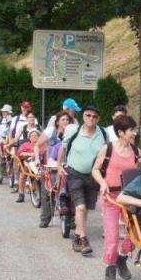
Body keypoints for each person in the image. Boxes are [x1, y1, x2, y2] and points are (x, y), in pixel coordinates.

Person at [91, 115, 141, 280]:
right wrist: (103, 182)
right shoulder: (108, 149)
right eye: (131, 130)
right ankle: (110, 268)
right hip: (111, 199)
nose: (134, 133)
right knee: (112, 236)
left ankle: (122, 257)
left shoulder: (135, 151)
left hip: (129, 199)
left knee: (134, 236)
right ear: (121, 132)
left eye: (134, 130)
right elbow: (96, 170)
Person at [58, 105, 108, 256]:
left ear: (98, 118)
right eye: (88, 115)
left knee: (85, 209)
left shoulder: (103, 133)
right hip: (74, 173)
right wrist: (59, 165)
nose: (91, 119)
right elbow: (63, 147)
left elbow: (108, 153)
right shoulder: (74, 131)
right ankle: (84, 240)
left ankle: (78, 236)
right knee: (79, 207)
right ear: (83, 116)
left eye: (94, 116)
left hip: (93, 175)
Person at [35, 111, 73, 227]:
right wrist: (37, 159)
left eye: (67, 120)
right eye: (63, 120)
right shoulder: (51, 131)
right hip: (51, 165)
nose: (65, 122)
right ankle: (45, 218)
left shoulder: (73, 132)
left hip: (68, 165)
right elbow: (37, 145)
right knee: (46, 191)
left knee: (72, 190)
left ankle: (71, 219)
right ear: (57, 122)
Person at [15, 129, 44, 203]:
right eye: (32, 136)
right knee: (23, 175)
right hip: (27, 162)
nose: (34, 137)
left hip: (40, 162)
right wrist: (30, 154)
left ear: (39, 137)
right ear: (29, 138)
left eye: (36, 135)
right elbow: (19, 153)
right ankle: (21, 194)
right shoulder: (25, 144)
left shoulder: (42, 145)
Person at [0, 104, 14, 185]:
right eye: (3, 111)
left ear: (9, 112)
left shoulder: (13, 120)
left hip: (10, 143)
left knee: (11, 160)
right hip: (1, 142)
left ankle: (12, 178)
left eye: (5, 111)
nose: (3, 113)